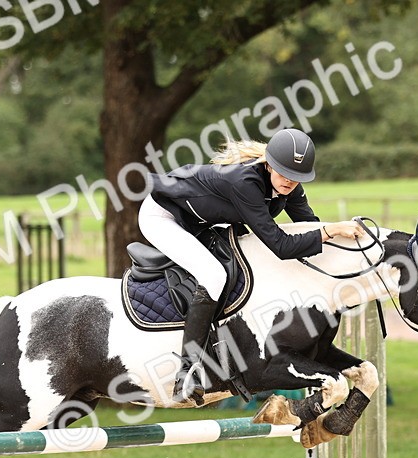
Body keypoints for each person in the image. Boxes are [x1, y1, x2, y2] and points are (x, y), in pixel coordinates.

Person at [140, 127, 364, 403]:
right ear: (269, 165)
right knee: (213, 275)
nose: (290, 182)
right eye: (284, 174)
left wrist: (345, 263)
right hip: (164, 215)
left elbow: (310, 226)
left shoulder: (288, 184)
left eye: (297, 178)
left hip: (202, 219)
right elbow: (281, 246)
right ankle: (189, 369)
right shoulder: (245, 183)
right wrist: (332, 230)